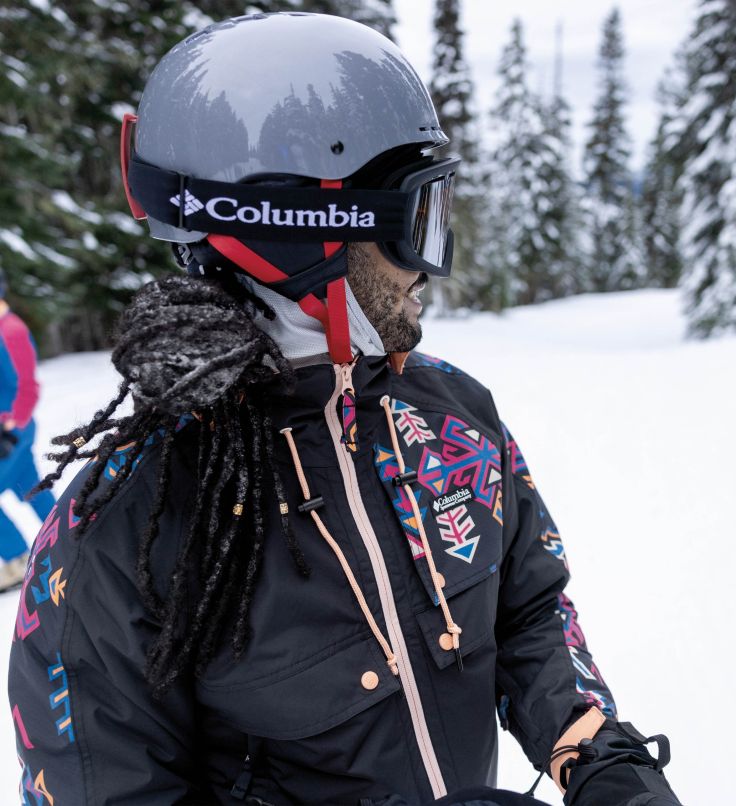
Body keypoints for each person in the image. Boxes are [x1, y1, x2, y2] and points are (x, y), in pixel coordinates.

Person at [8, 13, 683, 806]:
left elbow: (528, 611)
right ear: (303, 235)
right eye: (413, 223)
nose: (432, 267)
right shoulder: (125, 530)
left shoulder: (452, 416)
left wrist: (597, 753)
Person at [0, 269, 55, 593]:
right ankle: (70, 533)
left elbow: (28, 386)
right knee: (30, 486)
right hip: (7, 429)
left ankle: (17, 559)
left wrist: (12, 427)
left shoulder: (12, 330)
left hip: (13, 430)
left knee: (28, 485)